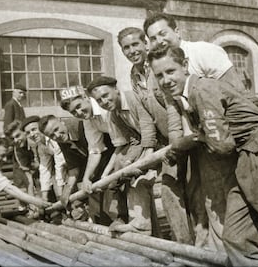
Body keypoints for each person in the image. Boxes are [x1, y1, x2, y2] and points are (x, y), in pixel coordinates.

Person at [148, 45, 258, 266]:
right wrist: (191, 140)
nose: (165, 80)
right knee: (237, 237)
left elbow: (222, 145)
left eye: (170, 71)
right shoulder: (188, 96)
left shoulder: (201, 90)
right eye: (159, 75)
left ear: (185, 66)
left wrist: (188, 141)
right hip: (244, 158)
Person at [118, 27, 194, 243]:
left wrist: (175, 142)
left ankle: (199, 247)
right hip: (166, 141)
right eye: (126, 47)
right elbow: (144, 116)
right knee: (169, 192)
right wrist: (148, 150)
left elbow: (173, 107)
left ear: (145, 43)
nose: (132, 50)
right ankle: (184, 245)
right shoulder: (134, 75)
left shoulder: (158, 68)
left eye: (135, 44)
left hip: (184, 134)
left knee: (191, 193)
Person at [143, 12, 258, 111]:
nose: (159, 41)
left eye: (163, 34)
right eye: (153, 38)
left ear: (177, 32)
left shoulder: (203, 51)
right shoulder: (160, 67)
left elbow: (238, 93)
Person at [87, 76, 159, 235]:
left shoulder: (132, 98)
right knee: (124, 173)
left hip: (160, 141)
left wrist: (142, 160)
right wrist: (127, 162)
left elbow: (148, 128)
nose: (104, 102)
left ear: (116, 90)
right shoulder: (114, 114)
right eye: (99, 100)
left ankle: (141, 226)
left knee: (139, 180)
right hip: (147, 145)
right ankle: (136, 223)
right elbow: (134, 140)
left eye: (106, 95)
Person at [59, 85, 116, 223]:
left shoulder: (104, 107)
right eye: (73, 112)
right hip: (120, 144)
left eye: (79, 106)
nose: (78, 112)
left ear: (85, 97)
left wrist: (105, 173)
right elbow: (95, 150)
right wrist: (86, 179)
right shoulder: (87, 119)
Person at [38, 114, 89, 219]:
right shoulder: (62, 140)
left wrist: (86, 178)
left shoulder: (80, 125)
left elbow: (97, 152)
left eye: (56, 129)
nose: (57, 135)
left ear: (61, 121)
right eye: (52, 135)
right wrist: (65, 192)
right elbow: (74, 168)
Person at [21, 116, 66, 202]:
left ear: (41, 128)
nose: (32, 134)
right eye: (28, 132)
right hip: (61, 169)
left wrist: (60, 192)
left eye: (34, 129)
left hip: (71, 165)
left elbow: (60, 164)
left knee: (61, 192)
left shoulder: (54, 139)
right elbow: (45, 168)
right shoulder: (40, 146)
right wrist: (44, 196)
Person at [4, 120, 39, 200]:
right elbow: (28, 176)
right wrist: (32, 201)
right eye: (12, 138)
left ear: (25, 132)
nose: (16, 140)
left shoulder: (37, 140)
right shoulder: (18, 149)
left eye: (18, 136)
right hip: (36, 170)